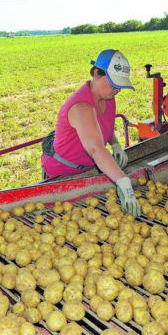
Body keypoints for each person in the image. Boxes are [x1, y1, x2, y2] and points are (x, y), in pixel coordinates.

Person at [41, 49, 141, 218]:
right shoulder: (81, 107)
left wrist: (115, 144)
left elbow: (105, 126)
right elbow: (95, 148)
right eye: (113, 83)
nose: (117, 89)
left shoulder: (108, 97)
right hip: (62, 174)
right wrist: (124, 182)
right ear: (96, 74)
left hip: (89, 168)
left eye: (120, 85)